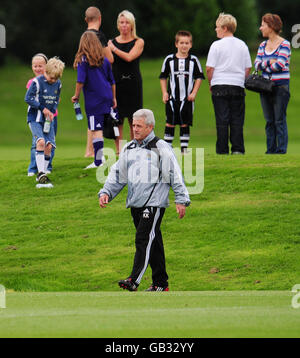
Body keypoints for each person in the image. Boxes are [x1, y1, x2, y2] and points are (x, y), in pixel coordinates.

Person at [98, 109, 190, 292]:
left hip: (154, 203)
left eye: (139, 126)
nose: (134, 129)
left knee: (143, 239)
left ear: (150, 127)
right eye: (133, 125)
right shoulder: (129, 148)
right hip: (135, 203)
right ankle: (160, 284)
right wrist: (106, 191)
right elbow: (118, 173)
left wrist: (181, 199)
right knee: (153, 243)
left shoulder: (160, 147)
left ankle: (134, 279)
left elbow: (174, 174)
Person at [206, 13, 252, 155]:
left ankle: (222, 150)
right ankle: (237, 149)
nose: (216, 30)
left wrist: (211, 82)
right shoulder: (242, 45)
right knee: (237, 119)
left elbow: (209, 68)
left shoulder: (216, 45)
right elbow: (248, 68)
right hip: (237, 85)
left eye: (217, 27)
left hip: (219, 85)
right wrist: (240, 80)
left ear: (224, 28)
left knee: (222, 119)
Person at [72, 31, 117, 169]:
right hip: (107, 95)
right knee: (100, 127)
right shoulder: (104, 60)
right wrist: (114, 97)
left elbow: (80, 80)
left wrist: (76, 95)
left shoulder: (83, 61)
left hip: (94, 99)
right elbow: (112, 81)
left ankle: (98, 161)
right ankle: (100, 156)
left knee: (95, 128)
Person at [159, 30, 205, 155]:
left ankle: (184, 149)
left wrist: (194, 93)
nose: (184, 45)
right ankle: (168, 149)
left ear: (191, 45)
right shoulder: (169, 59)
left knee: (185, 123)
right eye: (182, 43)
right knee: (170, 122)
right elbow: (163, 77)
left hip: (187, 99)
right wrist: (164, 93)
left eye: (187, 43)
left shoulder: (193, 61)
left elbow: (199, 77)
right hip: (172, 98)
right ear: (176, 44)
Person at [108, 10, 144, 155]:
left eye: (127, 22)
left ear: (132, 25)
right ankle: (119, 150)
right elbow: (109, 61)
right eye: (121, 22)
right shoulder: (111, 42)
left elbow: (129, 57)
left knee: (133, 118)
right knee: (117, 119)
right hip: (117, 84)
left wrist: (113, 49)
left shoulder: (139, 41)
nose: (124, 25)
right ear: (118, 25)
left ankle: (133, 148)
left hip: (133, 84)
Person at [25, 57, 65, 188]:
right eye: (50, 77)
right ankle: (40, 173)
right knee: (40, 142)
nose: (51, 80)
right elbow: (28, 98)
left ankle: (44, 173)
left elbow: (56, 99)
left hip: (48, 119)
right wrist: (43, 109)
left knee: (49, 146)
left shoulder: (58, 84)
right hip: (35, 118)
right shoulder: (36, 82)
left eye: (54, 79)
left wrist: (52, 112)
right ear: (46, 71)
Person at [254, 13, 291, 154]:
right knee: (269, 121)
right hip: (264, 87)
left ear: (271, 26)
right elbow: (256, 65)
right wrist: (270, 61)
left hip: (280, 87)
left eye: (263, 25)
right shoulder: (263, 45)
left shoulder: (285, 44)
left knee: (279, 120)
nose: (260, 27)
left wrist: (265, 65)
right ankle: (270, 150)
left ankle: (281, 151)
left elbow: (280, 65)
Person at [84, 6, 114, 158]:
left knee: (92, 119)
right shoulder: (99, 36)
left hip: (89, 86)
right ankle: (93, 153)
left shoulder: (84, 36)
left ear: (86, 19)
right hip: (101, 84)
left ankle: (89, 151)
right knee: (97, 120)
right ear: (100, 18)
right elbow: (110, 59)